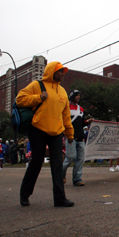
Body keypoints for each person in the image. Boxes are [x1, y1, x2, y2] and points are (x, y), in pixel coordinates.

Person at [17, 61, 75, 207]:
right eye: (60, 71)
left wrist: (69, 134)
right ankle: (25, 194)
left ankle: (60, 199)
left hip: (56, 132)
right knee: (37, 162)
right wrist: (38, 98)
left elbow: (66, 115)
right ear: (52, 72)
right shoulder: (37, 85)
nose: (63, 74)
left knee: (57, 164)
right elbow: (20, 99)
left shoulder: (62, 91)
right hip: (38, 129)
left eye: (63, 71)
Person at [62, 90, 90, 186]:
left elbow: (82, 122)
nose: (78, 97)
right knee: (71, 157)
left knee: (80, 159)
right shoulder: (66, 106)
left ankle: (77, 179)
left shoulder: (81, 109)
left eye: (79, 95)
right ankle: (60, 174)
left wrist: (87, 122)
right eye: (76, 95)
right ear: (71, 96)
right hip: (70, 136)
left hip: (80, 136)